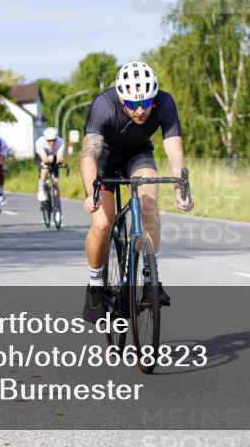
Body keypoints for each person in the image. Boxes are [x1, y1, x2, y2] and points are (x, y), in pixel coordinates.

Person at [79, 61, 193, 321]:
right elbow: (89, 154)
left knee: (149, 203)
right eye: (132, 104)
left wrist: (180, 188)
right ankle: (95, 286)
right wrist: (90, 193)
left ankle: (151, 280)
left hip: (138, 154)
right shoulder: (104, 105)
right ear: (122, 99)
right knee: (102, 222)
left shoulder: (165, 102)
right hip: (105, 158)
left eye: (146, 103)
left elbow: (174, 149)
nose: (140, 111)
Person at [34, 126, 64, 203]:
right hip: (41, 156)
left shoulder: (60, 141)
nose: (52, 142)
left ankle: (56, 205)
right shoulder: (40, 142)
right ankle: (41, 189)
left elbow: (60, 158)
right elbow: (44, 159)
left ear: (56, 138)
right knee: (45, 166)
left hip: (53, 156)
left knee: (55, 181)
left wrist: (56, 159)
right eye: (49, 140)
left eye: (54, 140)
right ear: (45, 139)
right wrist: (49, 159)